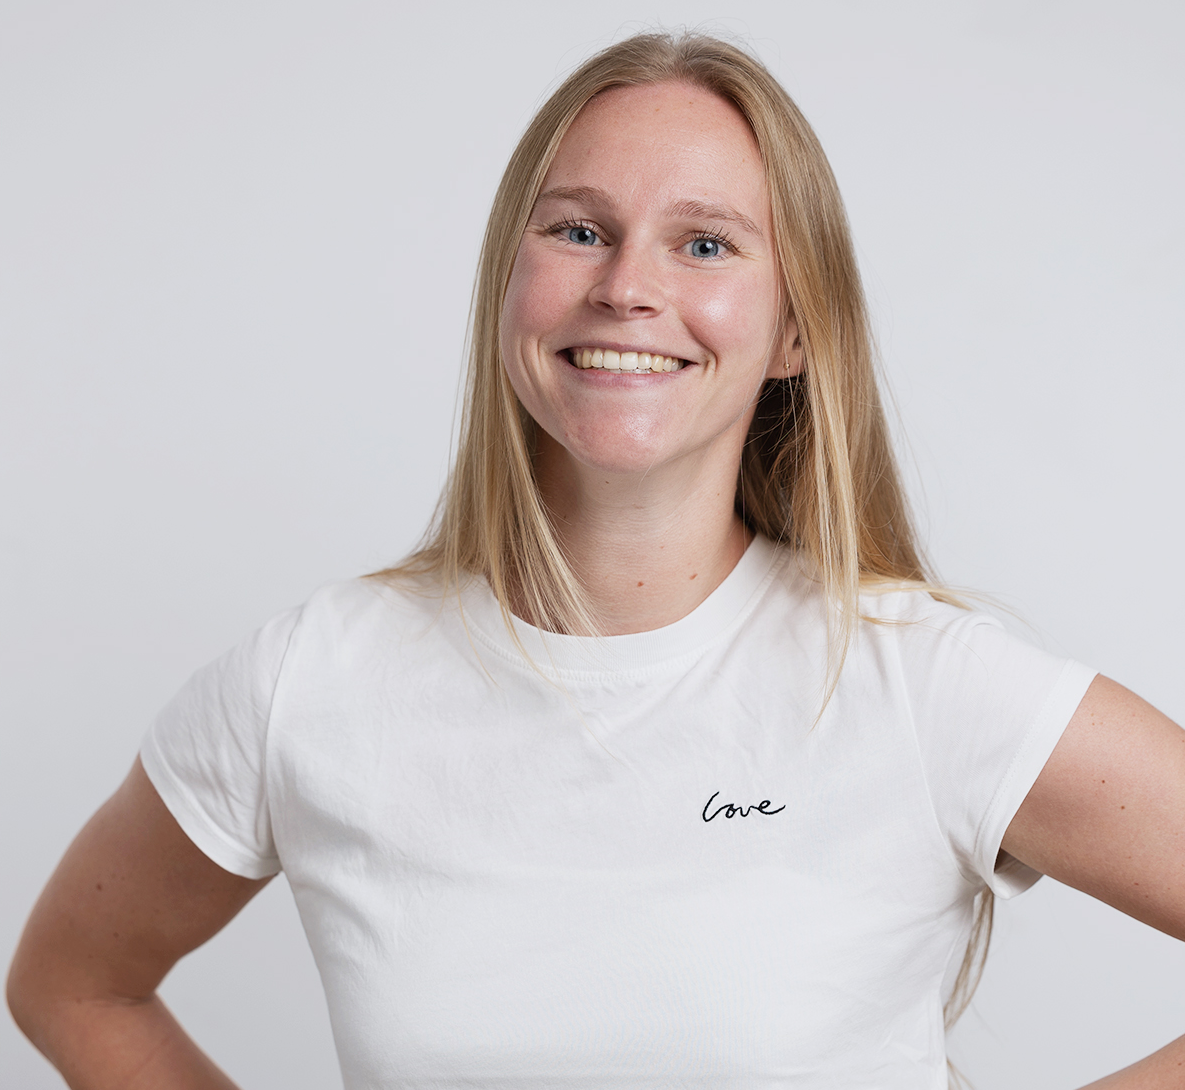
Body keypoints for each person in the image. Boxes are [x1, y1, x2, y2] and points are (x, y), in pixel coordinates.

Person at [7, 30, 1184, 1090]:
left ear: (793, 332)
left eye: (706, 243)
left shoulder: (923, 684)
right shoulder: (309, 681)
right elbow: (72, 983)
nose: (627, 287)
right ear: (509, 285)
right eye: (578, 229)